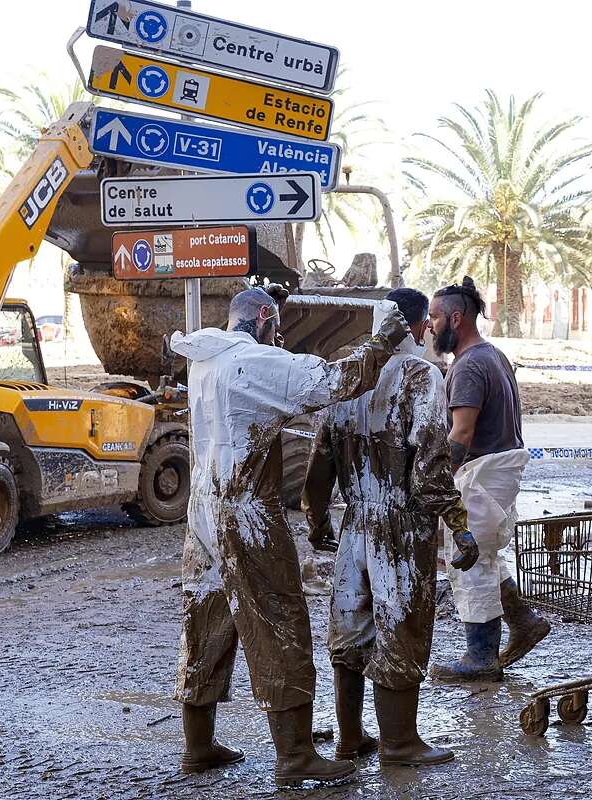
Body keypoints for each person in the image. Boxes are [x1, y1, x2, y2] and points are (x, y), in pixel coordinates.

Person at [168, 286, 411, 787]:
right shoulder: (256, 363)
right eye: (275, 326)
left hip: (204, 513)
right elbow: (335, 380)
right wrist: (383, 339)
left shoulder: (206, 356)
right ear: (263, 317)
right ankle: (296, 754)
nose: (278, 337)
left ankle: (198, 746)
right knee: (280, 621)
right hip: (248, 513)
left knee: (206, 619)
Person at [301, 289, 479, 768]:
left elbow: (319, 463)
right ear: (421, 326)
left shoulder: (347, 372)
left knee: (351, 629)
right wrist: (458, 525)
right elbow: (430, 466)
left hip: (355, 520)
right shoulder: (421, 376)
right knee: (403, 625)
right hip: (401, 525)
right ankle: (400, 742)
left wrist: (318, 520)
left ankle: (350, 738)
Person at [426, 277, 551, 682]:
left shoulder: (470, 366)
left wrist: (438, 479)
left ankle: (481, 657)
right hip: (497, 473)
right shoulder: (492, 355)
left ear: (456, 319)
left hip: (482, 474)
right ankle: (523, 621)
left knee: (469, 563)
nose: (429, 326)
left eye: (435, 317)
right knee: (484, 554)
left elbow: (461, 432)